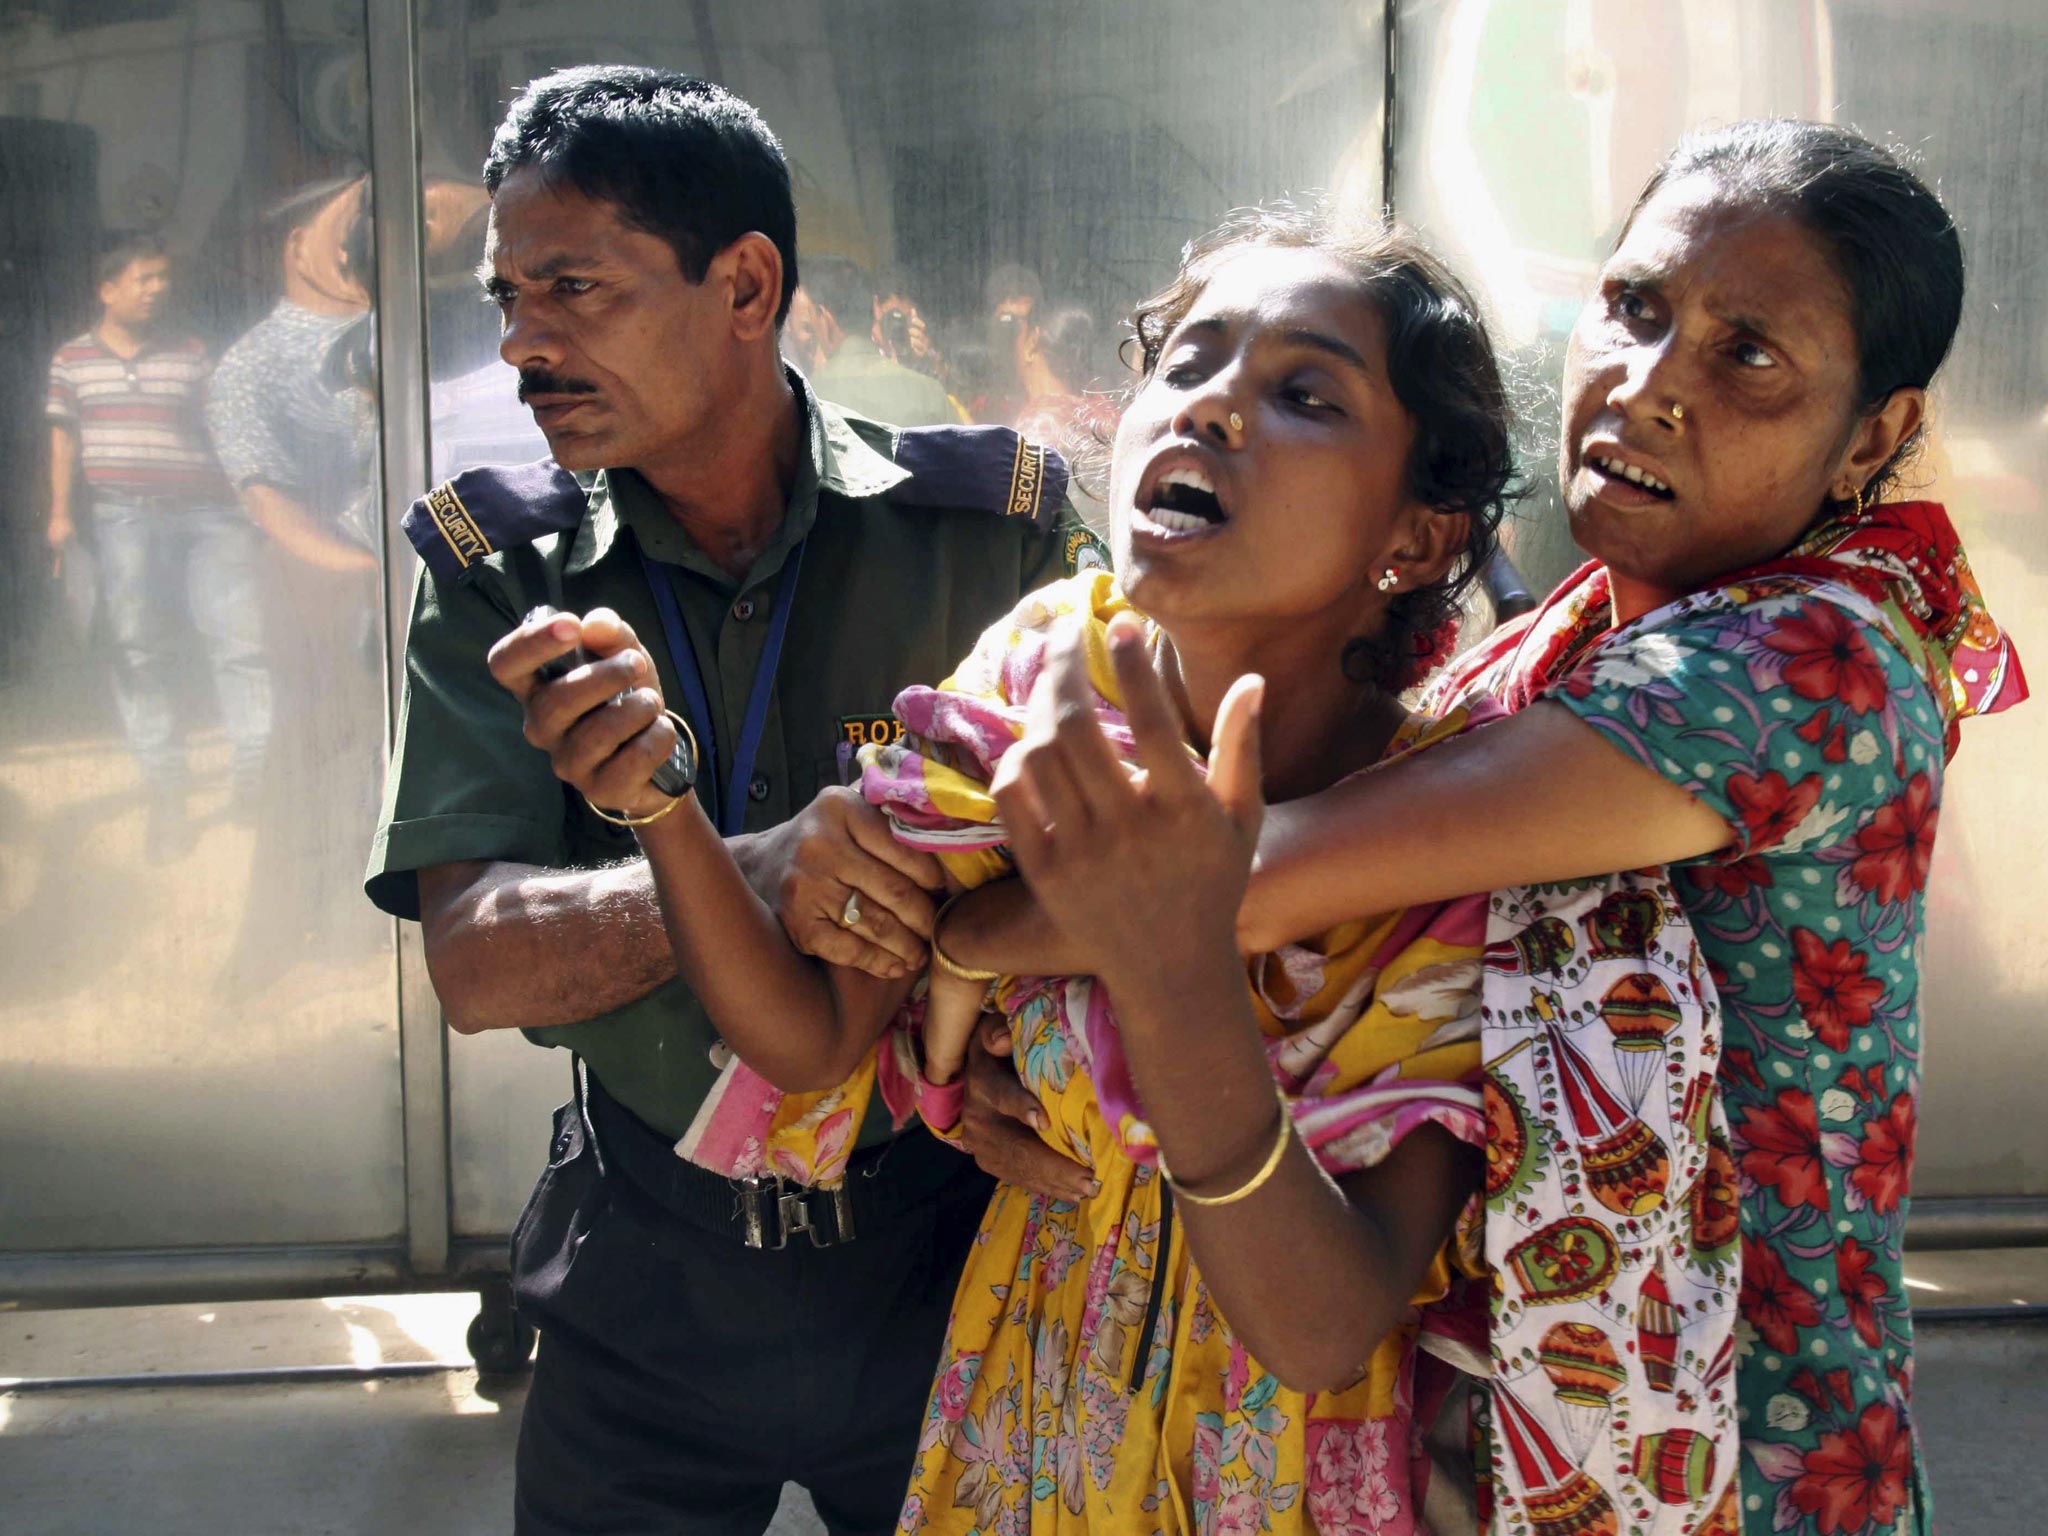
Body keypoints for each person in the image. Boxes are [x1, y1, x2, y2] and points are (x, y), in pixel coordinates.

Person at [1102, 122, 2018, 1535]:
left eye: (1748, 356)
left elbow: (1239, 889)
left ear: (1875, 436)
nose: (1649, 388)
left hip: (1741, 1467)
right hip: (1515, 1437)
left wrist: (956, 927)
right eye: (1635, 309)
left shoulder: (1812, 662)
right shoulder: (1555, 644)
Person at [364, 65, 1088, 1535]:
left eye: (572, 288)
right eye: (506, 296)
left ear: (746, 283)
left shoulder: (990, 539)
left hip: (951, 1250)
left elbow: (1126, 848)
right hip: (648, 1279)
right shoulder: (503, 576)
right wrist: (758, 865)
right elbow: (478, 960)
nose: (521, 345)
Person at [45, 233, 270, 858]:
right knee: (136, 647)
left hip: (207, 516)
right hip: (123, 518)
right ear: (107, 289)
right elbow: (62, 440)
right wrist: (59, 517)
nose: (156, 289)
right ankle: (166, 792)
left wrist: (253, 500)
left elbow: (222, 428)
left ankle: (256, 776)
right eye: (143, 279)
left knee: (238, 639)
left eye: (161, 279)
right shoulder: (71, 361)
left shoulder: (190, 353)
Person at [803, 253, 957, 427]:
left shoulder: (803, 399)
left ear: (825, 318)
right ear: (876, 307)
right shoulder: (930, 393)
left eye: (811, 325)